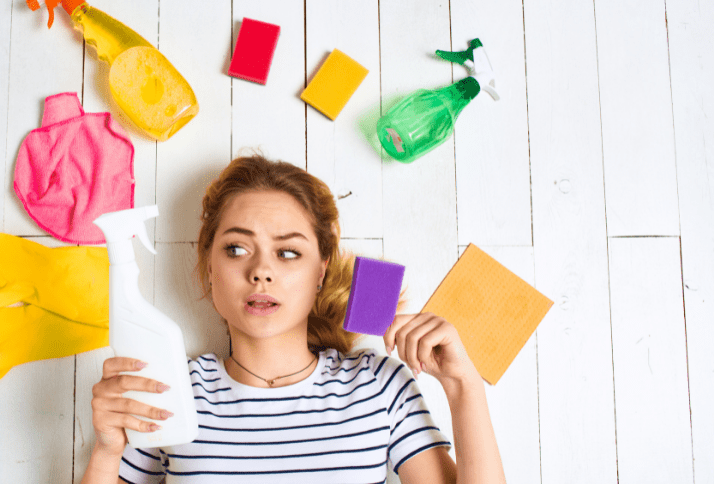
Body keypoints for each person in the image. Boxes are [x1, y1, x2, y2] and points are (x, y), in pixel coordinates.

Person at [82, 155, 506, 484]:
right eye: (235, 249)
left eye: (287, 253)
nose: (261, 271)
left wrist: (463, 385)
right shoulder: (168, 390)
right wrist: (106, 450)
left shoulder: (379, 385)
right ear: (209, 269)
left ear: (320, 272)